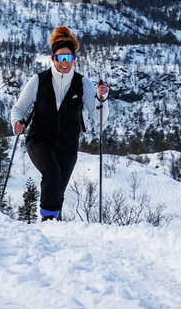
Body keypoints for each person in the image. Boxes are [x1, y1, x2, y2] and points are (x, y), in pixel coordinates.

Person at [10, 25, 110, 221]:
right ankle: (47, 221)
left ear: (74, 58)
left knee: (58, 189)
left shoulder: (83, 84)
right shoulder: (39, 80)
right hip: (39, 140)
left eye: (69, 58)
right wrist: (17, 123)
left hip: (67, 144)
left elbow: (99, 120)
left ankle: (54, 230)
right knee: (52, 173)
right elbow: (18, 109)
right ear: (53, 58)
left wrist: (101, 99)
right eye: (60, 58)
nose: (65, 63)